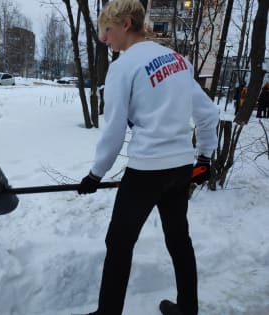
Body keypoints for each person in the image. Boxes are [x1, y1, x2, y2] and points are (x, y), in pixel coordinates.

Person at [77, 1, 219, 315]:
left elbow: (113, 132)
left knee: (119, 245)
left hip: (146, 172)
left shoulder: (123, 67)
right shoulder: (179, 61)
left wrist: (95, 175)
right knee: (179, 239)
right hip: (181, 168)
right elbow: (209, 114)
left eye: (107, 31)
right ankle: (188, 309)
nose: (104, 39)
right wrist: (205, 158)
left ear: (126, 24)